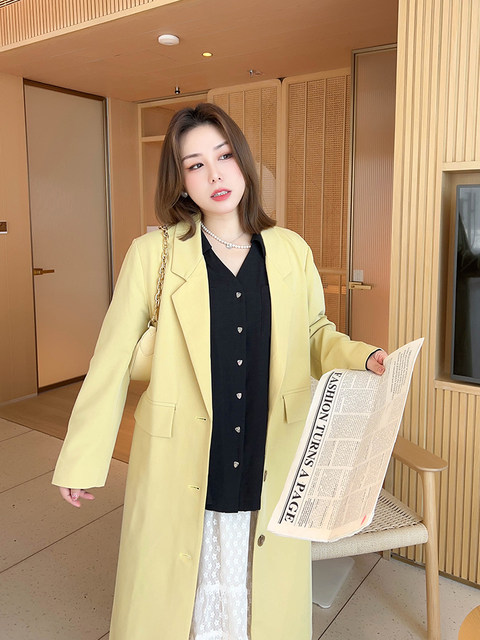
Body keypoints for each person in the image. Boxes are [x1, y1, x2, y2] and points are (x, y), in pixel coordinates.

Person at [52, 103, 387, 640]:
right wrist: (81, 458)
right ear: (181, 181)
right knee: (179, 595)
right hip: (184, 451)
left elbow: (314, 333)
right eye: (195, 164)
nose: (214, 174)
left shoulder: (290, 250)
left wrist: (363, 357)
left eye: (224, 156)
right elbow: (110, 360)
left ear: (243, 162)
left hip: (267, 444)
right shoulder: (153, 254)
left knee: (261, 593)